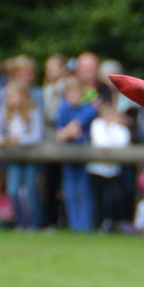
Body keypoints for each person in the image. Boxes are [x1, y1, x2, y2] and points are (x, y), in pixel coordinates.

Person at [0, 80, 43, 229]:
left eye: (15, 96)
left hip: (30, 157)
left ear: (24, 97)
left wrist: (19, 140)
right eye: (9, 97)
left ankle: (34, 223)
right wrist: (3, 141)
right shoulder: (3, 112)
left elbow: (37, 136)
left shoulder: (33, 111)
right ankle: (20, 221)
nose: (12, 100)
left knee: (30, 191)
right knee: (13, 190)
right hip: (12, 157)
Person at [53, 75, 97, 231]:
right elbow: (60, 132)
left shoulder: (89, 108)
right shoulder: (63, 108)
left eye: (76, 93)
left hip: (84, 156)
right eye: (70, 94)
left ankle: (84, 226)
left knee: (84, 191)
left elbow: (76, 126)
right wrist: (66, 133)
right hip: (68, 155)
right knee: (70, 191)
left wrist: (66, 133)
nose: (73, 97)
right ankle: (74, 225)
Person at [87, 93, 131, 233]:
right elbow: (101, 142)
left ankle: (113, 224)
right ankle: (97, 225)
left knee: (115, 198)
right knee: (97, 199)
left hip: (113, 170)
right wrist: (109, 131)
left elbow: (122, 142)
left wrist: (112, 128)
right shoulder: (97, 124)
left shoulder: (121, 128)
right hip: (97, 169)